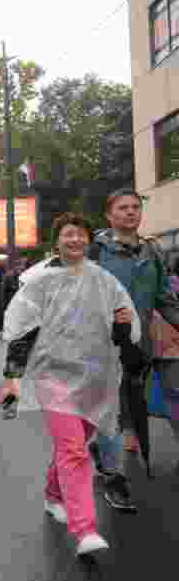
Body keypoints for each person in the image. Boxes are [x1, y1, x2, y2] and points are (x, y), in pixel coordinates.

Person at [0, 213, 139, 557]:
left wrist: (122, 324)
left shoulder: (105, 282)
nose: (75, 240)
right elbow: (20, 331)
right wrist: (12, 378)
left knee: (75, 444)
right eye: (68, 234)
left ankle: (53, 494)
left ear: (88, 241)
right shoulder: (40, 282)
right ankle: (85, 529)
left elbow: (124, 333)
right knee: (74, 450)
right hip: (53, 376)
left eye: (81, 234)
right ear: (57, 241)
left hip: (94, 377)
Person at [86, 188, 179, 513]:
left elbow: (164, 298)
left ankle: (101, 451)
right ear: (110, 216)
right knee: (110, 412)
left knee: (128, 410)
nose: (130, 212)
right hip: (101, 347)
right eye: (122, 208)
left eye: (135, 207)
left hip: (138, 349)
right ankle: (116, 483)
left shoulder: (151, 252)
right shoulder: (94, 252)